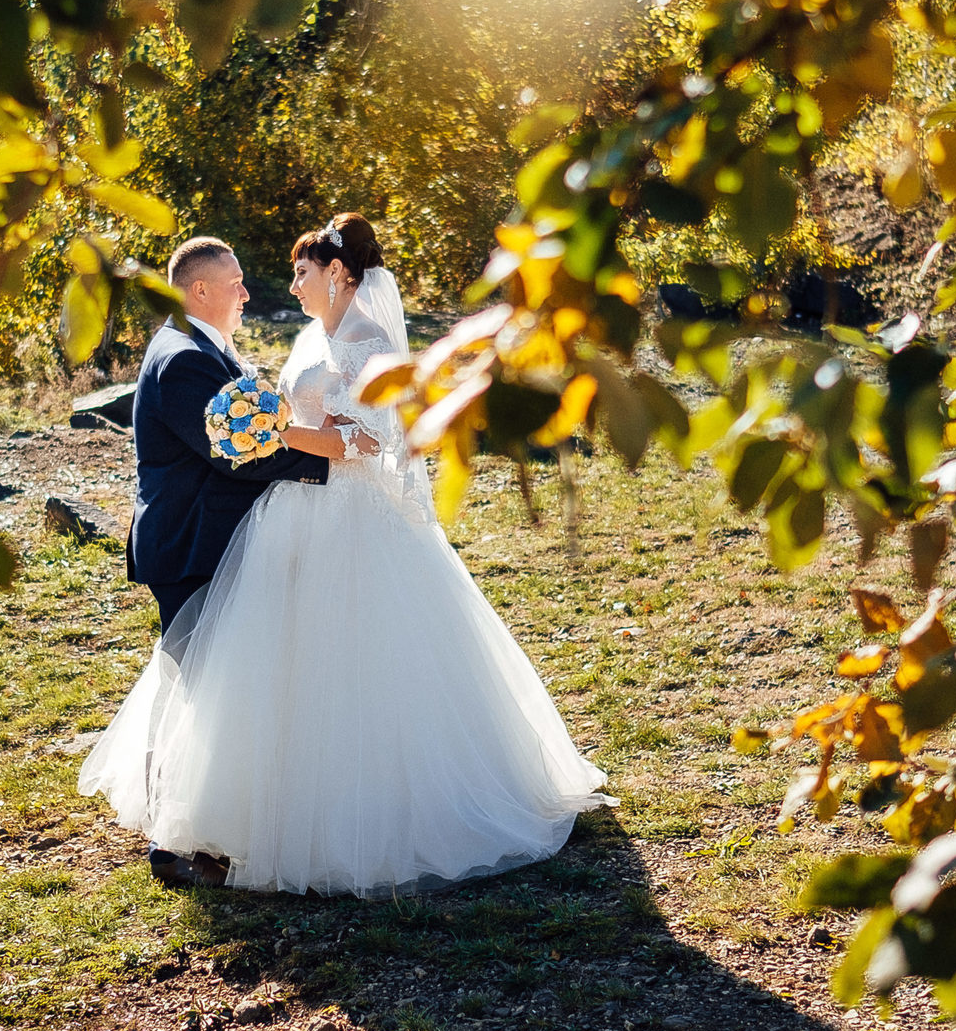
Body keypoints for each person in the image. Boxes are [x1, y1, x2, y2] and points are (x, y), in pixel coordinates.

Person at [83, 215, 611, 896]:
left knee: (317, 666)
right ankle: (191, 826)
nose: (267, 289)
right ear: (202, 291)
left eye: (299, 271)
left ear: (337, 273)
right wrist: (289, 434)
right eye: (240, 282)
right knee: (224, 678)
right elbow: (246, 440)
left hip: (340, 515)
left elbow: (366, 440)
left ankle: (284, 815)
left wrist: (287, 433)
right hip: (234, 530)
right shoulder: (222, 349)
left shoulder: (365, 346)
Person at [120, 235, 370, 887]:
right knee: (198, 692)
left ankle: (202, 831)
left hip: (204, 539)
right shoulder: (183, 359)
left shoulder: (201, 347)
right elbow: (236, 453)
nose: (247, 293)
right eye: (235, 283)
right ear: (200, 289)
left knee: (205, 687)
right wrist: (332, 458)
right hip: (190, 543)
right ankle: (174, 841)